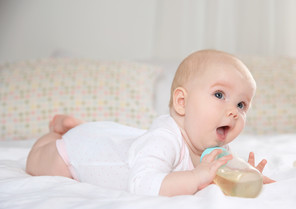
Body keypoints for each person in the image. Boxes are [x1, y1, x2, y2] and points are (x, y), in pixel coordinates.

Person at [26, 49, 275, 197]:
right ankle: (57, 132)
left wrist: (247, 176)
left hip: (112, 137)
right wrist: (196, 177)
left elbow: (222, 177)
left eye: (242, 105)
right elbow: (142, 184)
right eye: (219, 95)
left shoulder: (216, 148)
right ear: (181, 102)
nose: (233, 111)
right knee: (41, 162)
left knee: (109, 138)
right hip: (77, 152)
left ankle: (76, 125)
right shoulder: (164, 140)